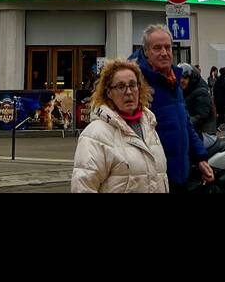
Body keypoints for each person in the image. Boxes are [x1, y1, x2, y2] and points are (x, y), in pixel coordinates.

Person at [132, 26, 212, 191]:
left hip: (180, 174)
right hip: (154, 178)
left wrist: (200, 157)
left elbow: (185, 124)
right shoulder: (137, 82)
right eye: (157, 48)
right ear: (146, 51)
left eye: (167, 47)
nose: (164, 53)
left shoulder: (173, 79)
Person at [71, 58, 168, 193]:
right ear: (109, 92)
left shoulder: (150, 126)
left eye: (133, 85)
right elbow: (83, 187)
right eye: (121, 86)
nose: (128, 92)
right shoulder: (95, 134)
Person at [179, 64, 217, 136]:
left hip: (205, 133)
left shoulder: (201, 92)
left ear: (192, 79)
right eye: (180, 77)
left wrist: (181, 122)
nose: (181, 80)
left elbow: (200, 117)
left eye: (185, 78)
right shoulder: (187, 91)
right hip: (195, 131)